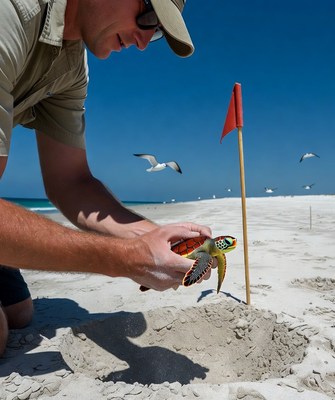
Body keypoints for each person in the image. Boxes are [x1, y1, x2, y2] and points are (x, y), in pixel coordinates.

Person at [0, 0, 212, 356]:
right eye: (148, 18)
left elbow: (72, 182)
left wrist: (158, 241)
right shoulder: (11, 15)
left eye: (157, 32)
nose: (144, 42)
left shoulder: (70, 66)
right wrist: (125, 258)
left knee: (20, 313)